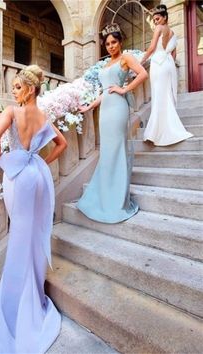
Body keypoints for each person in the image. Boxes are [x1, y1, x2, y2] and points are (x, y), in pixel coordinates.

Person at [0, 65, 67, 353]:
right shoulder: (43, 117)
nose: (13, 90)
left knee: (19, 234)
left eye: (17, 87)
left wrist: (5, 162)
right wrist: (42, 162)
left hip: (18, 175)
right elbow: (62, 144)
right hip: (36, 175)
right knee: (31, 234)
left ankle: (17, 301)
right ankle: (31, 291)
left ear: (29, 89)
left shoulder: (12, 111)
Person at [77, 23, 148, 223]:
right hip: (106, 109)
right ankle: (105, 195)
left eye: (114, 42)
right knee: (107, 151)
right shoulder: (106, 63)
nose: (110, 46)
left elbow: (143, 73)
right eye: (107, 43)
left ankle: (116, 199)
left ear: (120, 42)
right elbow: (105, 90)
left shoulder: (126, 58)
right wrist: (90, 106)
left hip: (118, 108)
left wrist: (125, 89)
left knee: (117, 149)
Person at [141, 4, 193, 146]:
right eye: (155, 20)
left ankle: (157, 132)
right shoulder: (173, 33)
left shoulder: (159, 29)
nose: (156, 22)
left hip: (158, 63)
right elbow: (174, 53)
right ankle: (167, 127)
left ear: (165, 18)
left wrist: (142, 61)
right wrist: (169, 60)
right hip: (168, 64)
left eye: (158, 19)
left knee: (158, 96)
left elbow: (152, 48)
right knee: (166, 95)